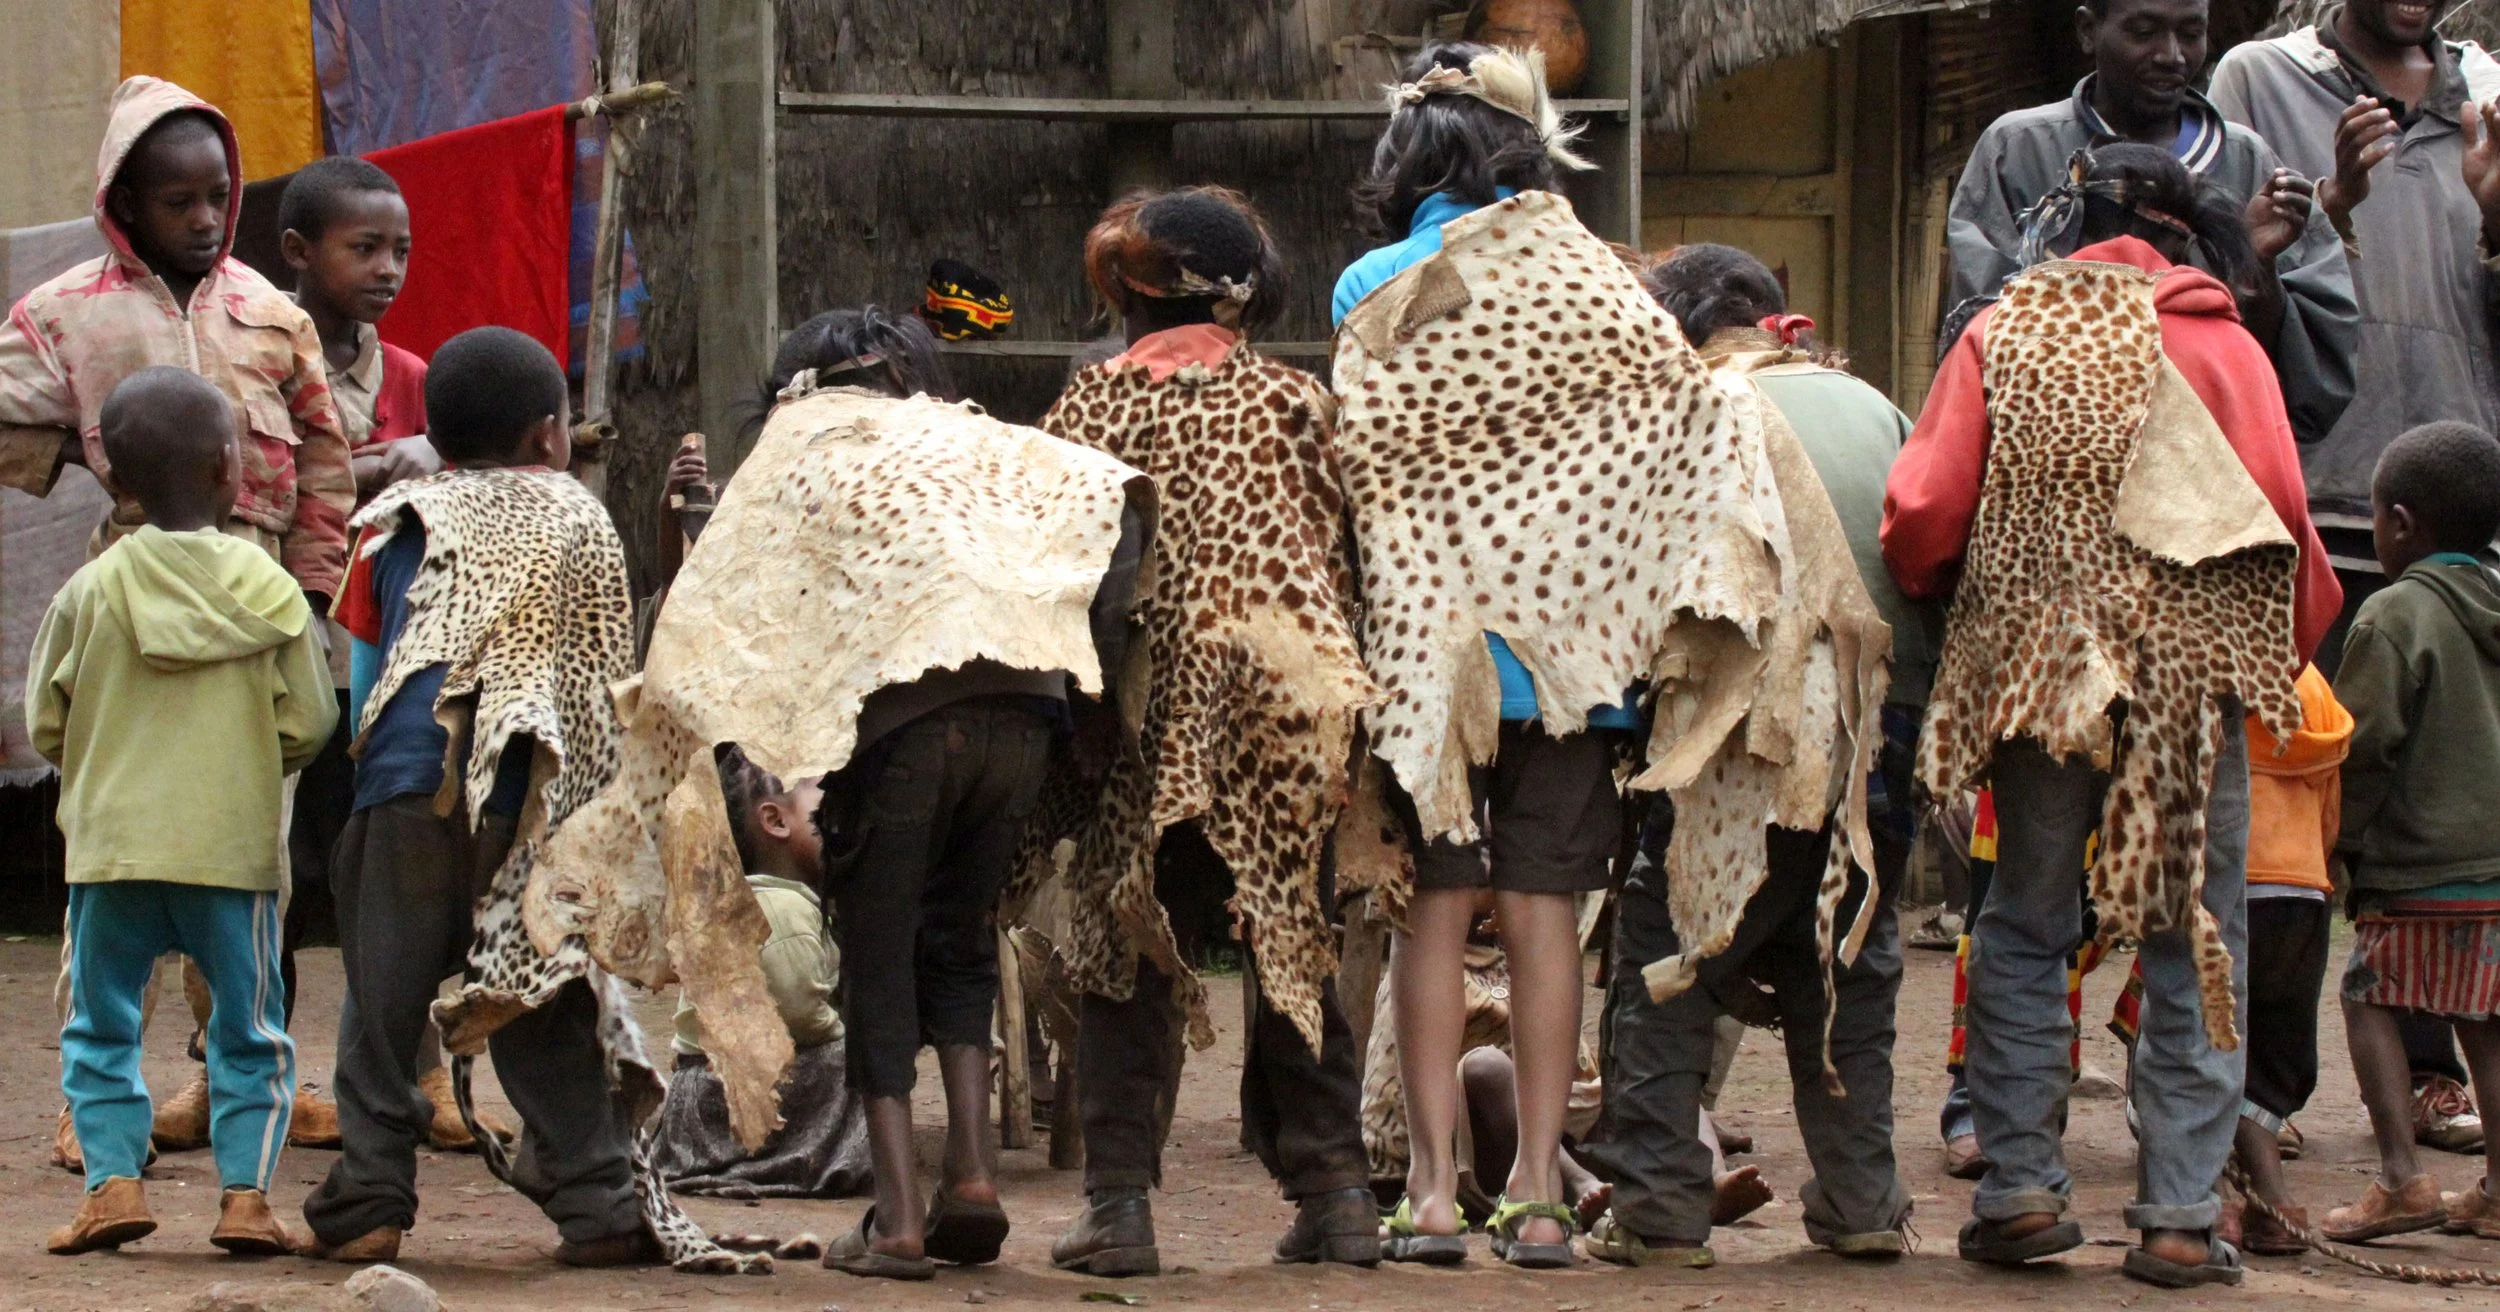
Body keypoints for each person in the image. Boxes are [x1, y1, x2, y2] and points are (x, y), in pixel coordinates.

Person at [1886, 144, 2340, 1288]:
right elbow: (2284, 524)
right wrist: (2268, 666)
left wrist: (1946, 601)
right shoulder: (2228, 348)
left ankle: (2021, 1189)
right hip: (2189, 681)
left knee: (2025, 920)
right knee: (2195, 928)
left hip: (2044, 668)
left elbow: (1924, 511)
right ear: (2190, 237)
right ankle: (2180, 1214)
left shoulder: (2003, 335)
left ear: (2065, 225)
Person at [1, 76, 353, 1173]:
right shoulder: (63, 314)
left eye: (216, 198)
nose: (203, 220)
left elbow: (325, 461)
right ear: (123, 204)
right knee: (114, 855)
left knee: (251, 860)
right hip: (133, 596)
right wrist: (90, 457)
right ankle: (94, 1099)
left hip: (257, 600)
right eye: (176, 202)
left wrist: (312, 599)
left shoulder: (273, 314)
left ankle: (231, 1078)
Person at [1038, 187, 1377, 1276]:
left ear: (1133, 292)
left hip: (1153, 710)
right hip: (1292, 706)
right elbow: (1353, 561)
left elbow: (1061, 576)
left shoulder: (1093, 406)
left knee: (1129, 950)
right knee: (1290, 942)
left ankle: (1119, 1207)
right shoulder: (1302, 401)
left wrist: (1081, 719)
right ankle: (1337, 1195)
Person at [1581, 245, 1920, 1268]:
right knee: (1846, 959)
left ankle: (1657, 1208)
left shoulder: (1681, 408)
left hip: (1733, 742)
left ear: (1672, 326)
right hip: (1875, 734)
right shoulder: (1874, 407)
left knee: (1671, 958)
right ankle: (1863, 1203)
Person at [2211, 0, 2500, 1154]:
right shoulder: (2255, 81)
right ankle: (2256, 1088)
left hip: (2459, 517)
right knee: (2279, 823)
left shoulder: (2488, 95)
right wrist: (2328, 209)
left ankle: (2430, 1074)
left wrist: (2494, 217)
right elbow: (2221, 279)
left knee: (2434, 824)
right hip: (2306, 504)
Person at [301, 327, 656, 1268]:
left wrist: (382, 776)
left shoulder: (392, 522)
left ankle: (370, 1197)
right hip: (536, 790)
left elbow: (373, 678)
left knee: (382, 1006)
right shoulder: (580, 516)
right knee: (541, 991)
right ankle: (598, 1202)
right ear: (550, 434)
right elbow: (601, 675)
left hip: (410, 784)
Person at [32, 367, 335, 1255]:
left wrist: (101, 768)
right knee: (248, 1030)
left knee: (101, 1024)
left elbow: (46, 720)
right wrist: (248, 765)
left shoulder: (90, 591)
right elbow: (312, 721)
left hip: (113, 853)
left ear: (117, 481)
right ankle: (244, 1200)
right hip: (230, 855)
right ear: (229, 469)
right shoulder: (272, 591)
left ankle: (113, 1186)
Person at [274, 152, 464, 1154]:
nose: (388, 268)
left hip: (384, 665)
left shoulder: (415, 380)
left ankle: (417, 1073)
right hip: (285, 653)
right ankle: (249, 1074)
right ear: (299, 253)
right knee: (275, 874)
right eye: (365, 248)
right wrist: (384, 465)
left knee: (388, 876)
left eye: (400, 249)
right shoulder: (260, 361)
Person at [1946, 0, 2356, 445]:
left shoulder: (2248, 163)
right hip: (2057, 458)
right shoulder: (2018, 151)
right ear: (2088, 30)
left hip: (2212, 465)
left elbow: (2313, 387)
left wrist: (2254, 266)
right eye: (2143, 32)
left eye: (2191, 34)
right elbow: (1981, 338)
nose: (2171, 55)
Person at [2322, 421, 2500, 1244]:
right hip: (2493, 870)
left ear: (2399, 523)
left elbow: (2362, 750)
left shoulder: (2394, 615)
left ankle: (2401, 1179)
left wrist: (2339, 847)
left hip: (2414, 866)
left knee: (2368, 998)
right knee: (2486, 1019)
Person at [650, 747, 868, 1200]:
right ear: (776, 821)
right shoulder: (783, 910)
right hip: (731, 1097)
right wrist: (847, 1032)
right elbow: (800, 1013)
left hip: (700, 1095)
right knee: (860, 1058)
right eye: (827, 797)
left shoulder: (749, 900)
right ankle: (796, 1161)